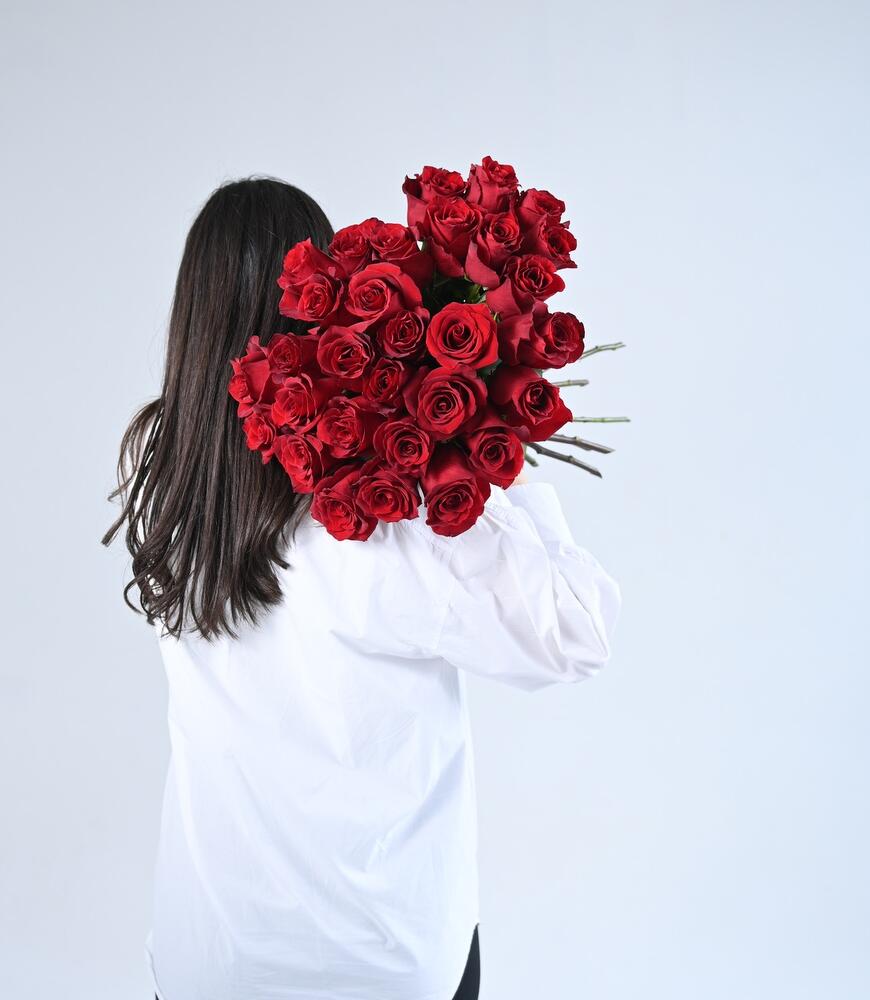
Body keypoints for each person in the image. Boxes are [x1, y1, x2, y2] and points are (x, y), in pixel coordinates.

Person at [104, 177, 621, 1000]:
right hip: (387, 960)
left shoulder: (159, 461)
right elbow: (576, 632)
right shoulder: (388, 499)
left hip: (212, 955)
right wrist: (495, 452)